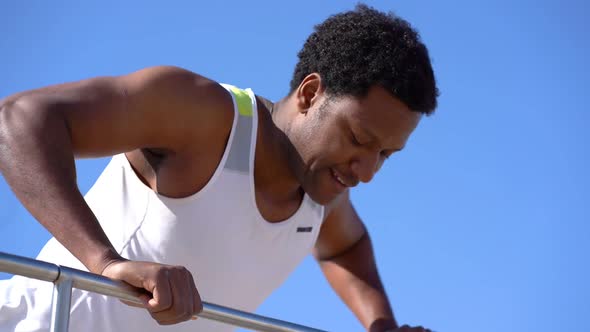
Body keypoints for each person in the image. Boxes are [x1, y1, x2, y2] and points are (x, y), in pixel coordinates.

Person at [0, 4, 438, 332]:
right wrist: (107, 263)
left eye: (385, 154)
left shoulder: (324, 193)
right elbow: (18, 120)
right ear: (310, 93)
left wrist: (381, 324)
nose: (367, 173)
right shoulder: (204, 118)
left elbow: (347, 248)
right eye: (359, 140)